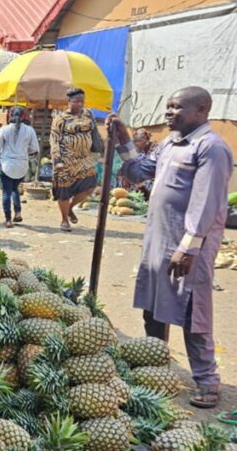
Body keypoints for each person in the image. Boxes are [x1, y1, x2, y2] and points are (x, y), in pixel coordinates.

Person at [110, 86, 232, 409]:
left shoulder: (211, 148)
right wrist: (123, 139)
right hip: (158, 242)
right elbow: (138, 172)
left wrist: (188, 248)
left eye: (176, 107)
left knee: (193, 312)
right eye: (167, 106)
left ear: (201, 110)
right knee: (153, 308)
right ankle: (156, 369)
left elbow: (206, 202)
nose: (168, 113)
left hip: (188, 247)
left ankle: (207, 381)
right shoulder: (169, 145)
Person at [51, 88, 99, 232]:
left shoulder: (88, 114)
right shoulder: (60, 119)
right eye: (77, 101)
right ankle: (65, 220)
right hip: (66, 160)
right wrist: (57, 160)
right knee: (64, 191)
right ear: (69, 102)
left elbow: (95, 133)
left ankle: (71, 207)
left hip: (85, 159)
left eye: (82, 101)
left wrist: (98, 151)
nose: (80, 104)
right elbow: (54, 140)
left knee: (90, 187)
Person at [0, 107, 39, 228]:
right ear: (24, 116)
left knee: (6, 192)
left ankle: (8, 219)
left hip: (7, 165)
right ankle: (18, 212)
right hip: (22, 166)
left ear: (10, 115)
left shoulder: (4, 130)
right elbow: (34, 149)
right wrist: (23, 152)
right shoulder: (30, 130)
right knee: (15, 189)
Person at [120, 128, 157, 199]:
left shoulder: (155, 151)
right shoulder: (140, 151)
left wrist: (145, 182)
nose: (136, 144)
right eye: (135, 141)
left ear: (146, 140)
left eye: (139, 141)